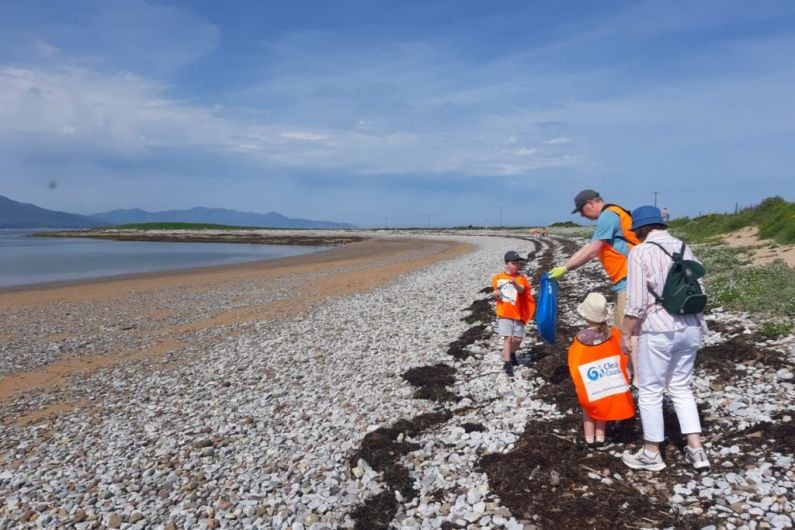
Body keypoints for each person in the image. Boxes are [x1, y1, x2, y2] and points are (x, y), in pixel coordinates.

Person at [619, 205, 710, 471]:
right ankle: (697, 450)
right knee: (681, 387)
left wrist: (626, 333)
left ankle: (651, 453)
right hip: (691, 325)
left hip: (658, 329)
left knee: (650, 390)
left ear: (639, 229)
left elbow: (636, 302)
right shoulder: (683, 247)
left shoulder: (640, 252)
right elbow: (699, 287)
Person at [547, 189, 641, 386]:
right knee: (628, 330)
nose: (582, 216)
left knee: (627, 331)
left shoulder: (608, 215)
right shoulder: (615, 213)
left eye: (581, 211)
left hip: (628, 279)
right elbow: (588, 247)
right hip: (628, 278)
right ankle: (632, 373)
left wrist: (566, 268)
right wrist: (564, 266)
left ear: (590, 203)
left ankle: (634, 378)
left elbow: (592, 251)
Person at [568, 292, 635, 447]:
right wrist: (626, 370)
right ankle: (600, 437)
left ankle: (589, 438)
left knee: (588, 408)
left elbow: (575, 360)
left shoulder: (580, 338)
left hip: (590, 381)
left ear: (585, 316)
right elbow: (622, 352)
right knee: (603, 405)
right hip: (608, 381)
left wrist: (577, 383)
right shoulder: (613, 333)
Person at [492, 251, 536, 377]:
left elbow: (522, 290)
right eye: (513, 263)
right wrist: (494, 294)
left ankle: (511, 353)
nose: (516, 265)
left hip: (518, 313)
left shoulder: (521, 278)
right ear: (506, 264)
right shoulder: (498, 278)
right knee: (508, 337)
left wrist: (514, 283)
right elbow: (496, 292)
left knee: (517, 338)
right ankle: (507, 363)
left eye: (517, 263)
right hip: (504, 312)